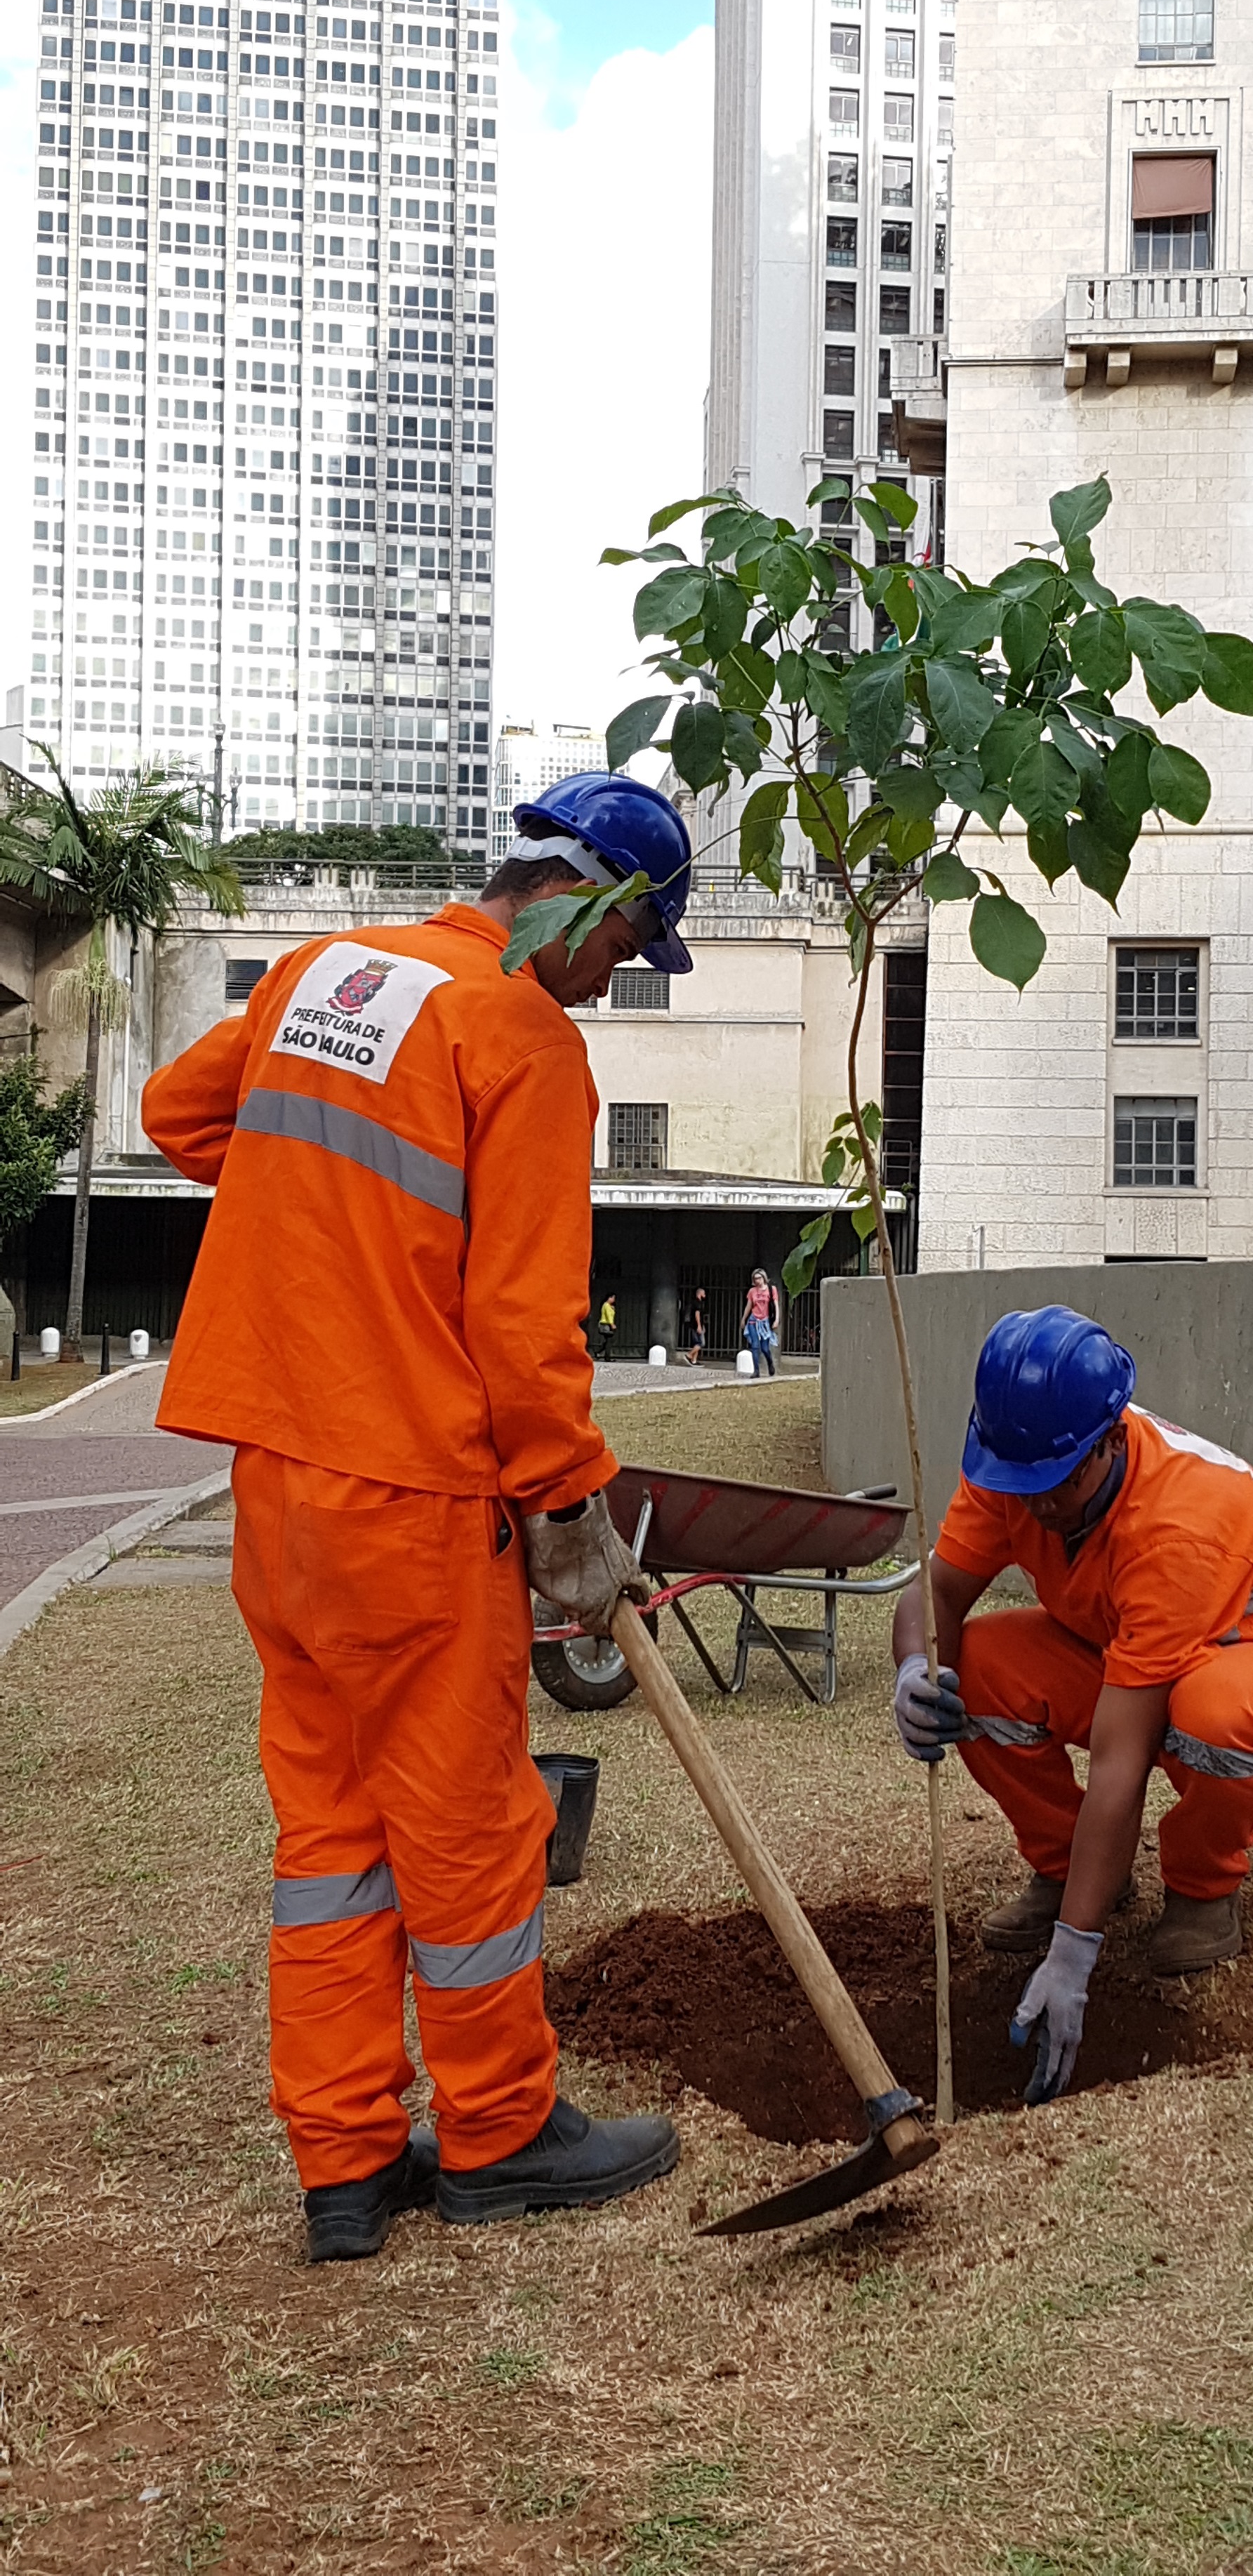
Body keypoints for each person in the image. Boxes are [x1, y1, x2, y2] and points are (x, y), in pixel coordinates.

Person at [142, 773, 696, 2261]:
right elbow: (525, 1325)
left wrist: (320, 1226)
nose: (613, 981)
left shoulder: (329, 973)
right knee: (467, 1824)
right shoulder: (518, 1035)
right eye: (628, 950)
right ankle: (501, 2135)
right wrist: (571, 1510)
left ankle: (344, 2164)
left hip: (277, 1481)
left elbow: (178, 1114)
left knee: (331, 1830)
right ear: (596, 897)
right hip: (410, 1490)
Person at [891, 1306, 1253, 2106]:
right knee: (974, 1665)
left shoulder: (1182, 1527)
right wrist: (915, 1668)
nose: (1036, 1506)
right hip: (1134, 1656)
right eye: (1019, 1483)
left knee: (1214, 1710)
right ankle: (1071, 1873)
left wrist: (1074, 1958)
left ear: (1111, 1441)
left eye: (1057, 1485)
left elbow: (1122, 1763)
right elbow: (939, 1592)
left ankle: (1202, 1890)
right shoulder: (1020, 1460)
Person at [741, 1268, 778, 1377]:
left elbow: (776, 1306)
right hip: (753, 1320)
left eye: (759, 1278)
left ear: (764, 1278)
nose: (757, 1281)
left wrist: (776, 1320)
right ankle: (756, 1371)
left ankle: (770, 1363)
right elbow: (749, 1306)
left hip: (765, 1322)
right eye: (755, 1279)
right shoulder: (752, 1291)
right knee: (755, 1346)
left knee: (765, 1349)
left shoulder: (772, 1290)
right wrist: (744, 1318)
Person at [684, 1287, 708, 1366]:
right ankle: (689, 1354)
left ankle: (694, 1361)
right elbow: (697, 1315)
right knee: (702, 1343)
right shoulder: (698, 1303)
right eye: (704, 1293)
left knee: (697, 1343)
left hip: (695, 1325)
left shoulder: (696, 1302)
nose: (705, 1295)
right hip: (696, 1325)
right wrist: (699, 1326)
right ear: (700, 1294)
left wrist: (702, 1325)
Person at [596, 1292, 618, 1363]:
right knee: (609, 1341)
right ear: (609, 1298)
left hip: (607, 1324)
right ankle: (607, 1357)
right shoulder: (607, 1306)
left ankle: (598, 1352)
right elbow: (608, 1316)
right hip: (606, 1325)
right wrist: (612, 1324)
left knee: (608, 1341)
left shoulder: (609, 1306)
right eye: (613, 1298)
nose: (614, 1300)